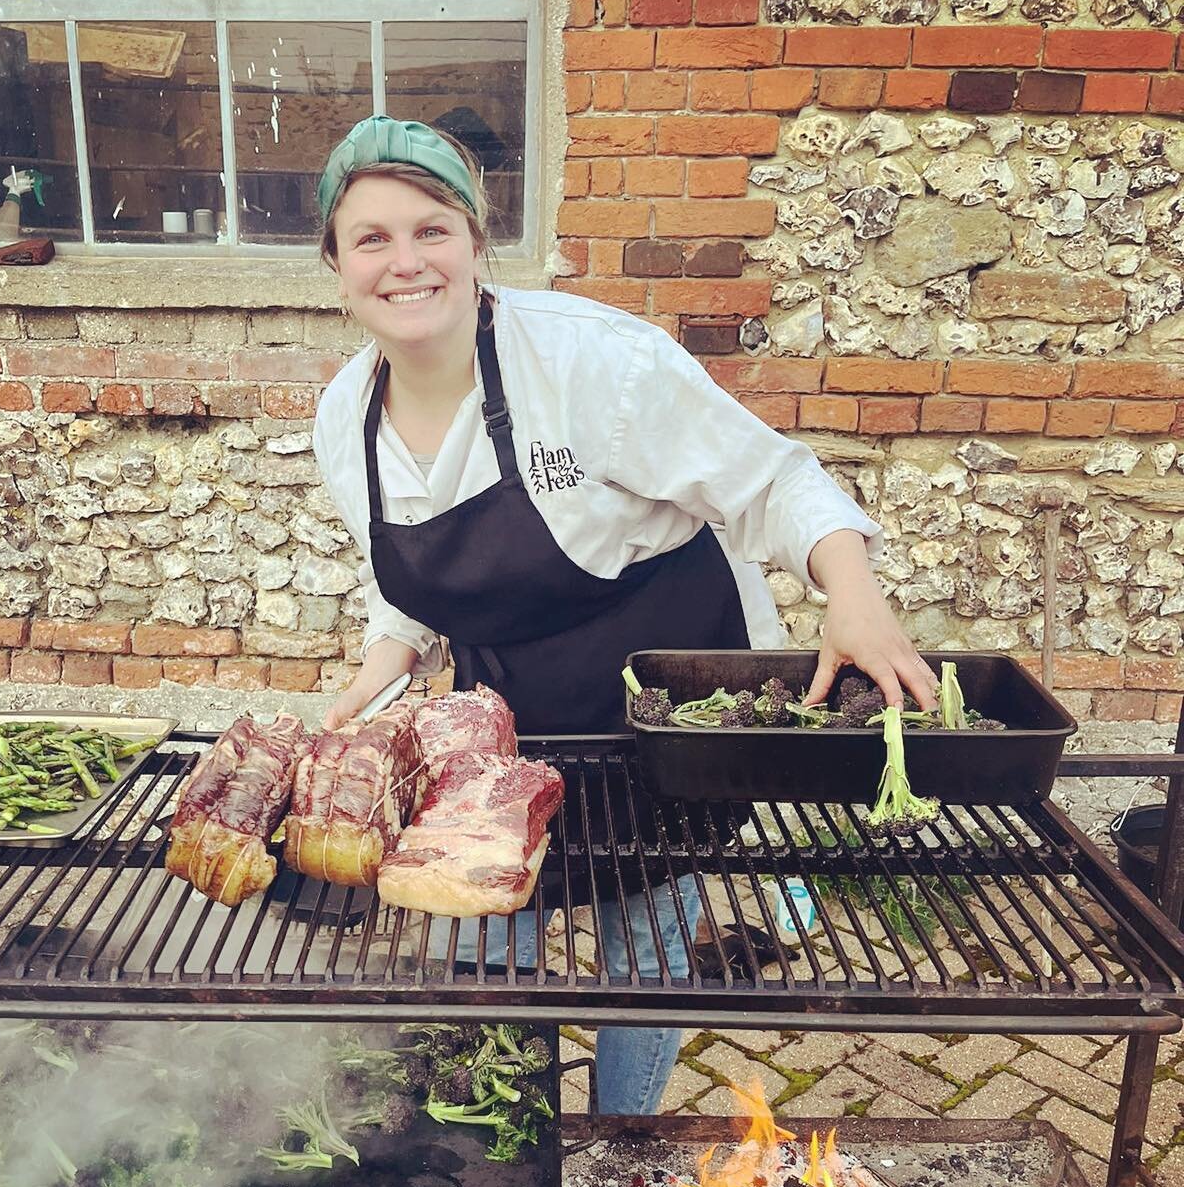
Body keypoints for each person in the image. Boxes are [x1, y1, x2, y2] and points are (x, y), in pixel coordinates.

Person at [310, 114, 935, 1113]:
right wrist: (366, 678)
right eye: (371, 238)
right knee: (482, 946)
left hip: (665, 704)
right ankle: (503, 1147)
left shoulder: (592, 363)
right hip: (510, 720)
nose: (405, 262)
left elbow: (771, 480)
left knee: (643, 951)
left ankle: (623, 1140)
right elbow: (402, 589)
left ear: (476, 242)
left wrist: (853, 595)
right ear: (337, 267)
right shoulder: (344, 418)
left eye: (432, 229)